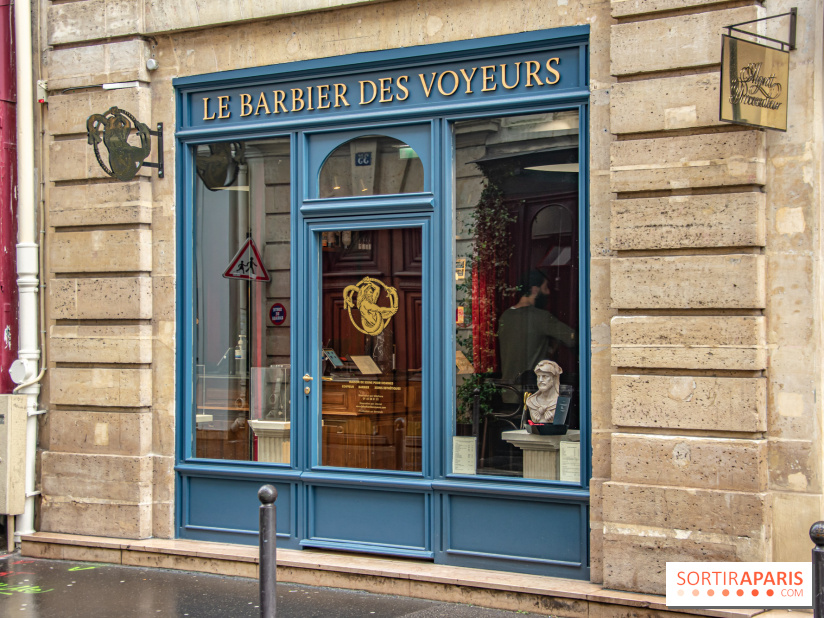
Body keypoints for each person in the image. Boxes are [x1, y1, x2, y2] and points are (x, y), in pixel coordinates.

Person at [497, 270, 575, 400]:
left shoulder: (505, 317)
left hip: (509, 393)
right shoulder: (541, 317)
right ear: (534, 290)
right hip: (534, 394)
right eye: (545, 288)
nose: (549, 293)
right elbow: (572, 338)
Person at [525, 360, 562, 424]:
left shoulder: (561, 402)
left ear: (554, 379)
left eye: (545, 376)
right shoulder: (531, 401)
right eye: (538, 376)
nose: (540, 380)